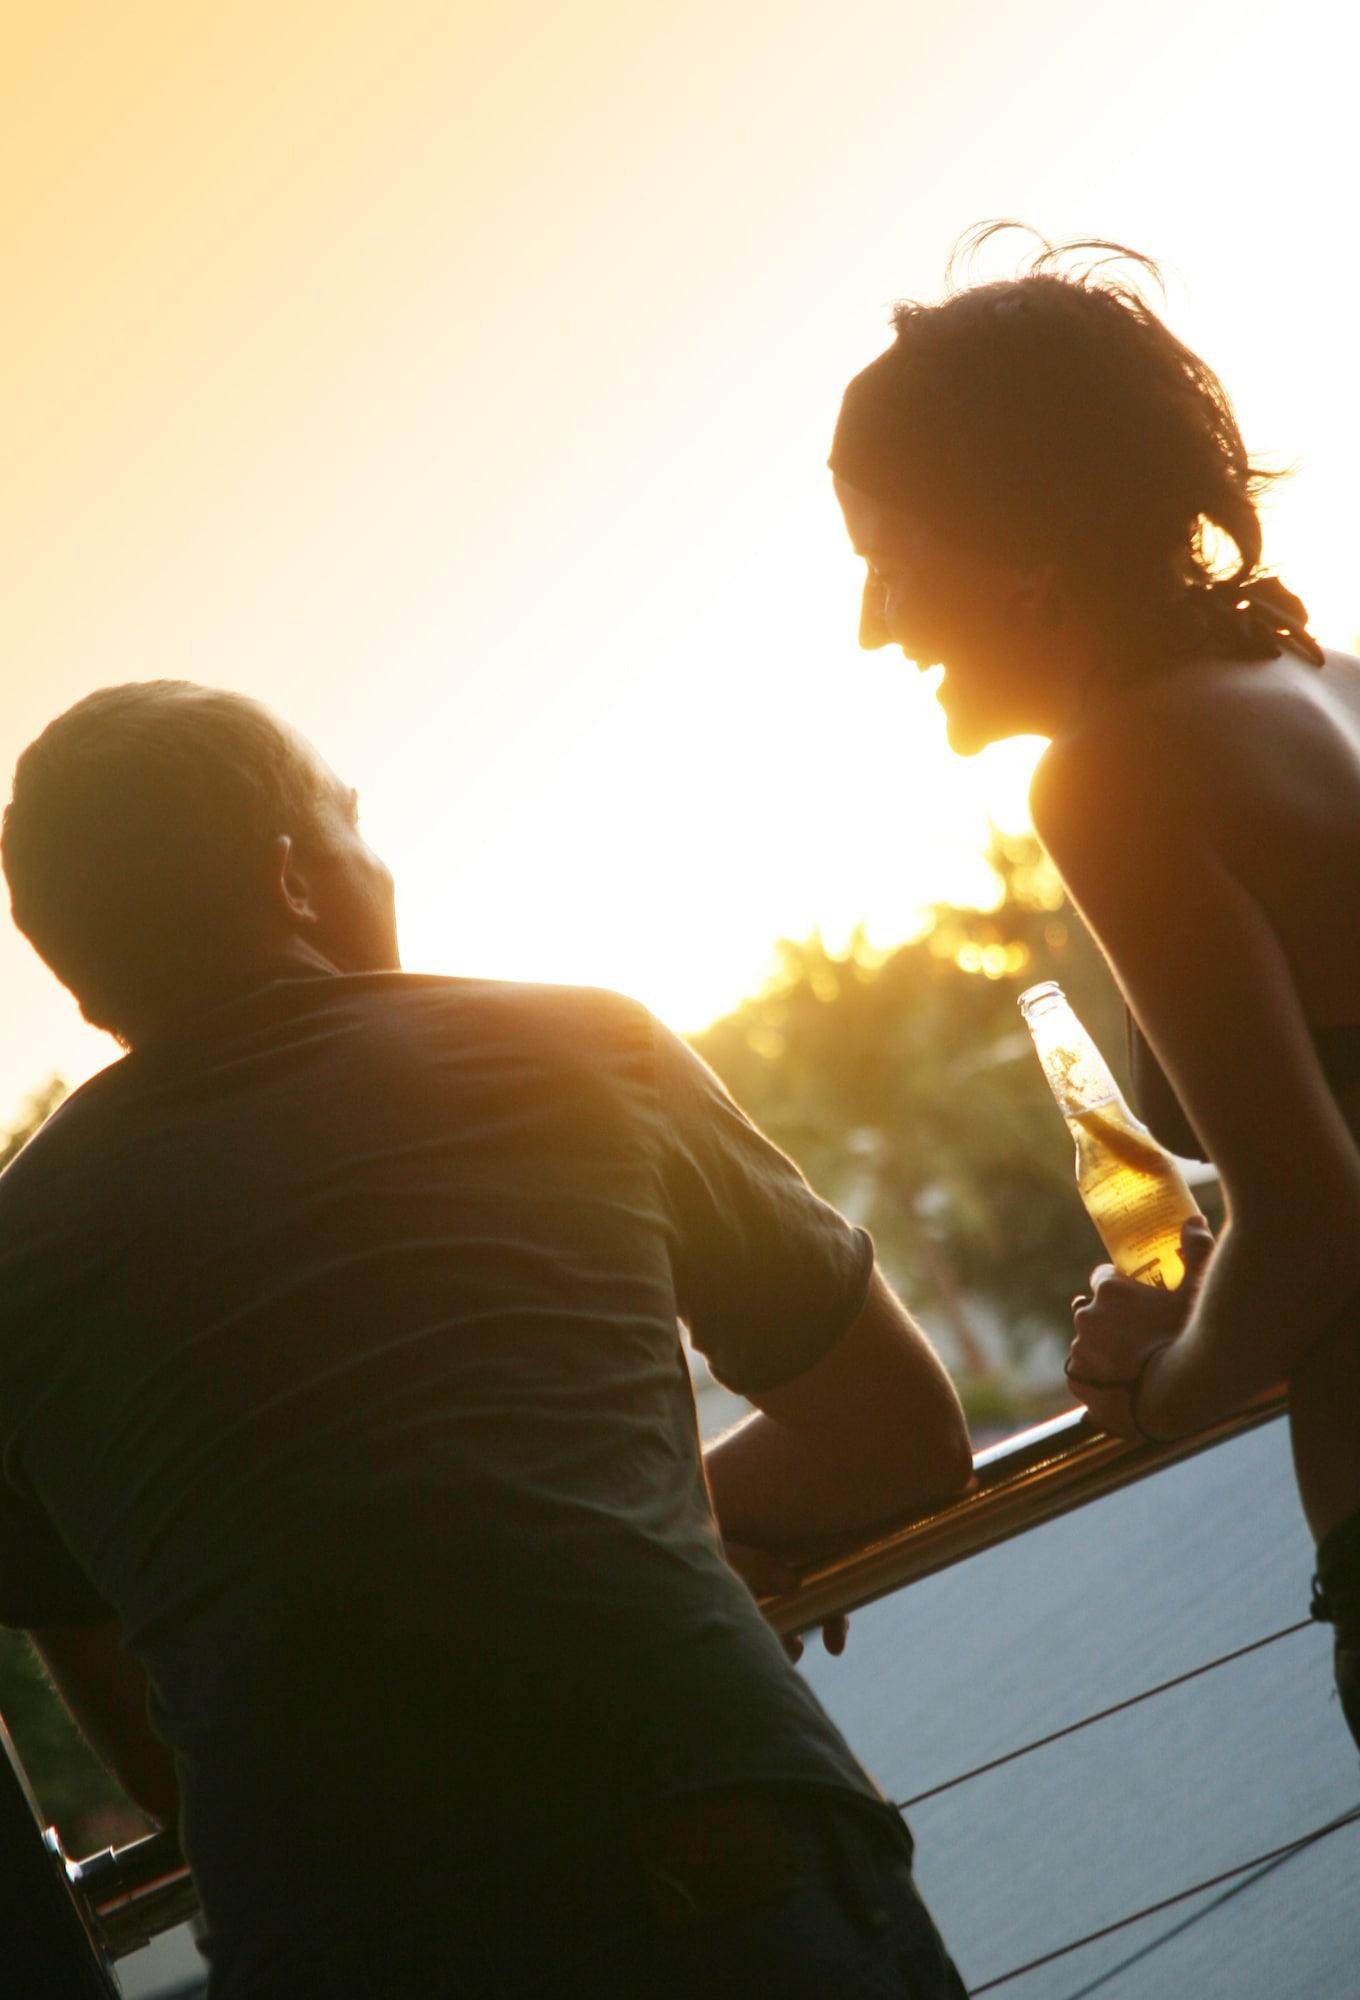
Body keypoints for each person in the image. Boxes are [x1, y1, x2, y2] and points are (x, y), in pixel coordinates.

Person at [0, 680, 973, 1997]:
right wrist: (628, 1533)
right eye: (354, 820)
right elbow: (902, 1440)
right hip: (705, 1842)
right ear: (295, 879)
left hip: (334, 1934)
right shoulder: (575, 1048)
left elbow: (161, 1750)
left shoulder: (19, 1263)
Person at [829, 229, 1360, 1754]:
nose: (871, 622)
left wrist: (1160, 1385)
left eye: (883, 559)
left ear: (1019, 551)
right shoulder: (1328, 687)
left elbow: (1319, 1215)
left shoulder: (1113, 772)